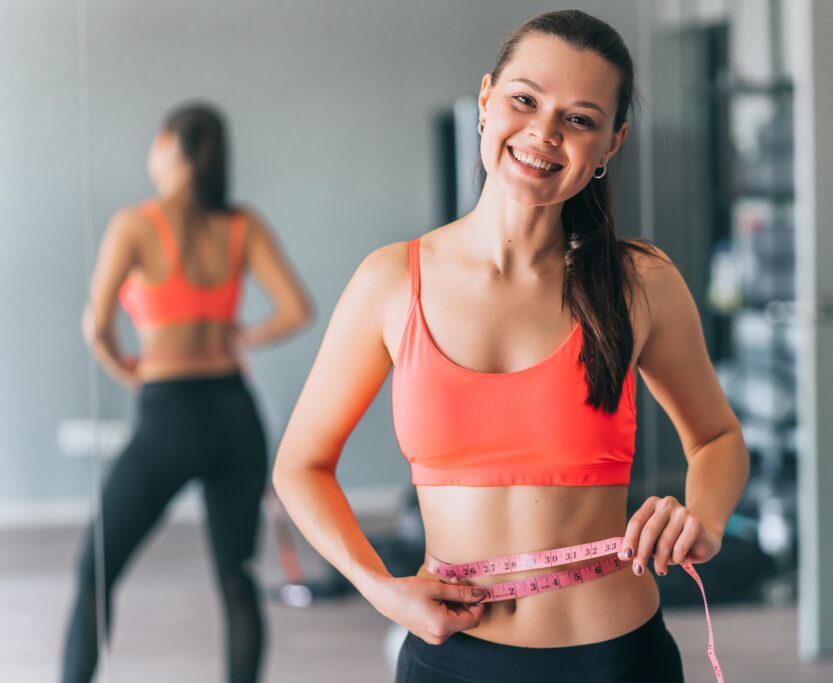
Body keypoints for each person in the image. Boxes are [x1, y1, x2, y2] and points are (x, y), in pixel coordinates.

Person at [272, 10, 748, 683]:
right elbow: (300, 464)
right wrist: (378, 587)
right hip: (449, 661)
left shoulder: (641, 282)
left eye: (580, 118)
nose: (544, 133)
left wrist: (704, 515)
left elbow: (717, 437)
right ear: (487, 99)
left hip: (615, 658)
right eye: (525, 100)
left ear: (613, 143)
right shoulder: (391, 281)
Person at [62, 103, 312, 683]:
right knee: (237, 578)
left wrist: (130, 370)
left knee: (94, 572)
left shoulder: (135, 224)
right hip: (234, 414)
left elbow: (95, 327)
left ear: (171, 144)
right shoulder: (241, 225)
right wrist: (242, 332)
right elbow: (298, 309)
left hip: (169, 413)